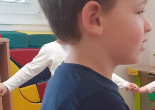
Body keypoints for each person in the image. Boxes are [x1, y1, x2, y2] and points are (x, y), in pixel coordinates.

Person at [0, 39, 133, 96]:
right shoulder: (50, 49)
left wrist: (124, 83)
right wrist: (7, 85)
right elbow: (30, 69)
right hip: (62, 101)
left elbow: (101, 70)